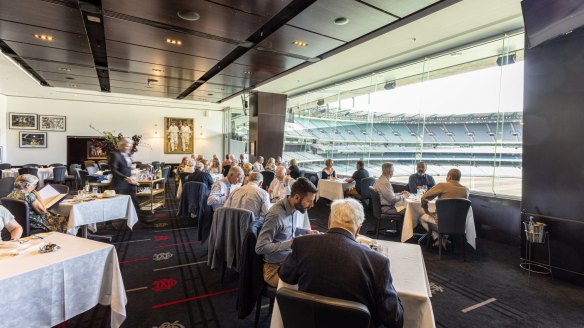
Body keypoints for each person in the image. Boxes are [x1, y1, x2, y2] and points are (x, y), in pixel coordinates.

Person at [279, 198, 404, 328]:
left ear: (328, 222)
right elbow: (395, 320)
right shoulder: (378, 262)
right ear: (358, 229)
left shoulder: (302, 244)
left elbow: (285, 275)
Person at [255, 177, 319, 287]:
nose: (311, 205)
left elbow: (286, 230)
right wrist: (292, 243)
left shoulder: (292, 208)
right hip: (273, 269)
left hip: (287, 261)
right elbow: (260, 248)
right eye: (308, 201)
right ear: (297, 197)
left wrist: (307, 231)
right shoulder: (276, 215)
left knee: (318, 266)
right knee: (311, 280)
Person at [109, 137, 154, 223]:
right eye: (127, 145)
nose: (129, 147)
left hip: (129, 183)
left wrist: (132, 177)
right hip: (119, 184)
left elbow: (127, 169)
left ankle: (143, 220)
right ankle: (108, 223)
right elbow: (114, 170)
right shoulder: (115, 155)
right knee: (115, 205)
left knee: (134, 201)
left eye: (130, 145)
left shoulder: (128, 154)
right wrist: (126, 178)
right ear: (121, 145)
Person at [420, 168, 469, 245]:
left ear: (449, 177)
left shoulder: (442, 186)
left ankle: (439, 238)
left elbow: (424, 198)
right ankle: (443, 239)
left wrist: (427, 211)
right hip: (460, 224)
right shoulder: (466, 190)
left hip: (442, 223)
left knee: (422, 217)